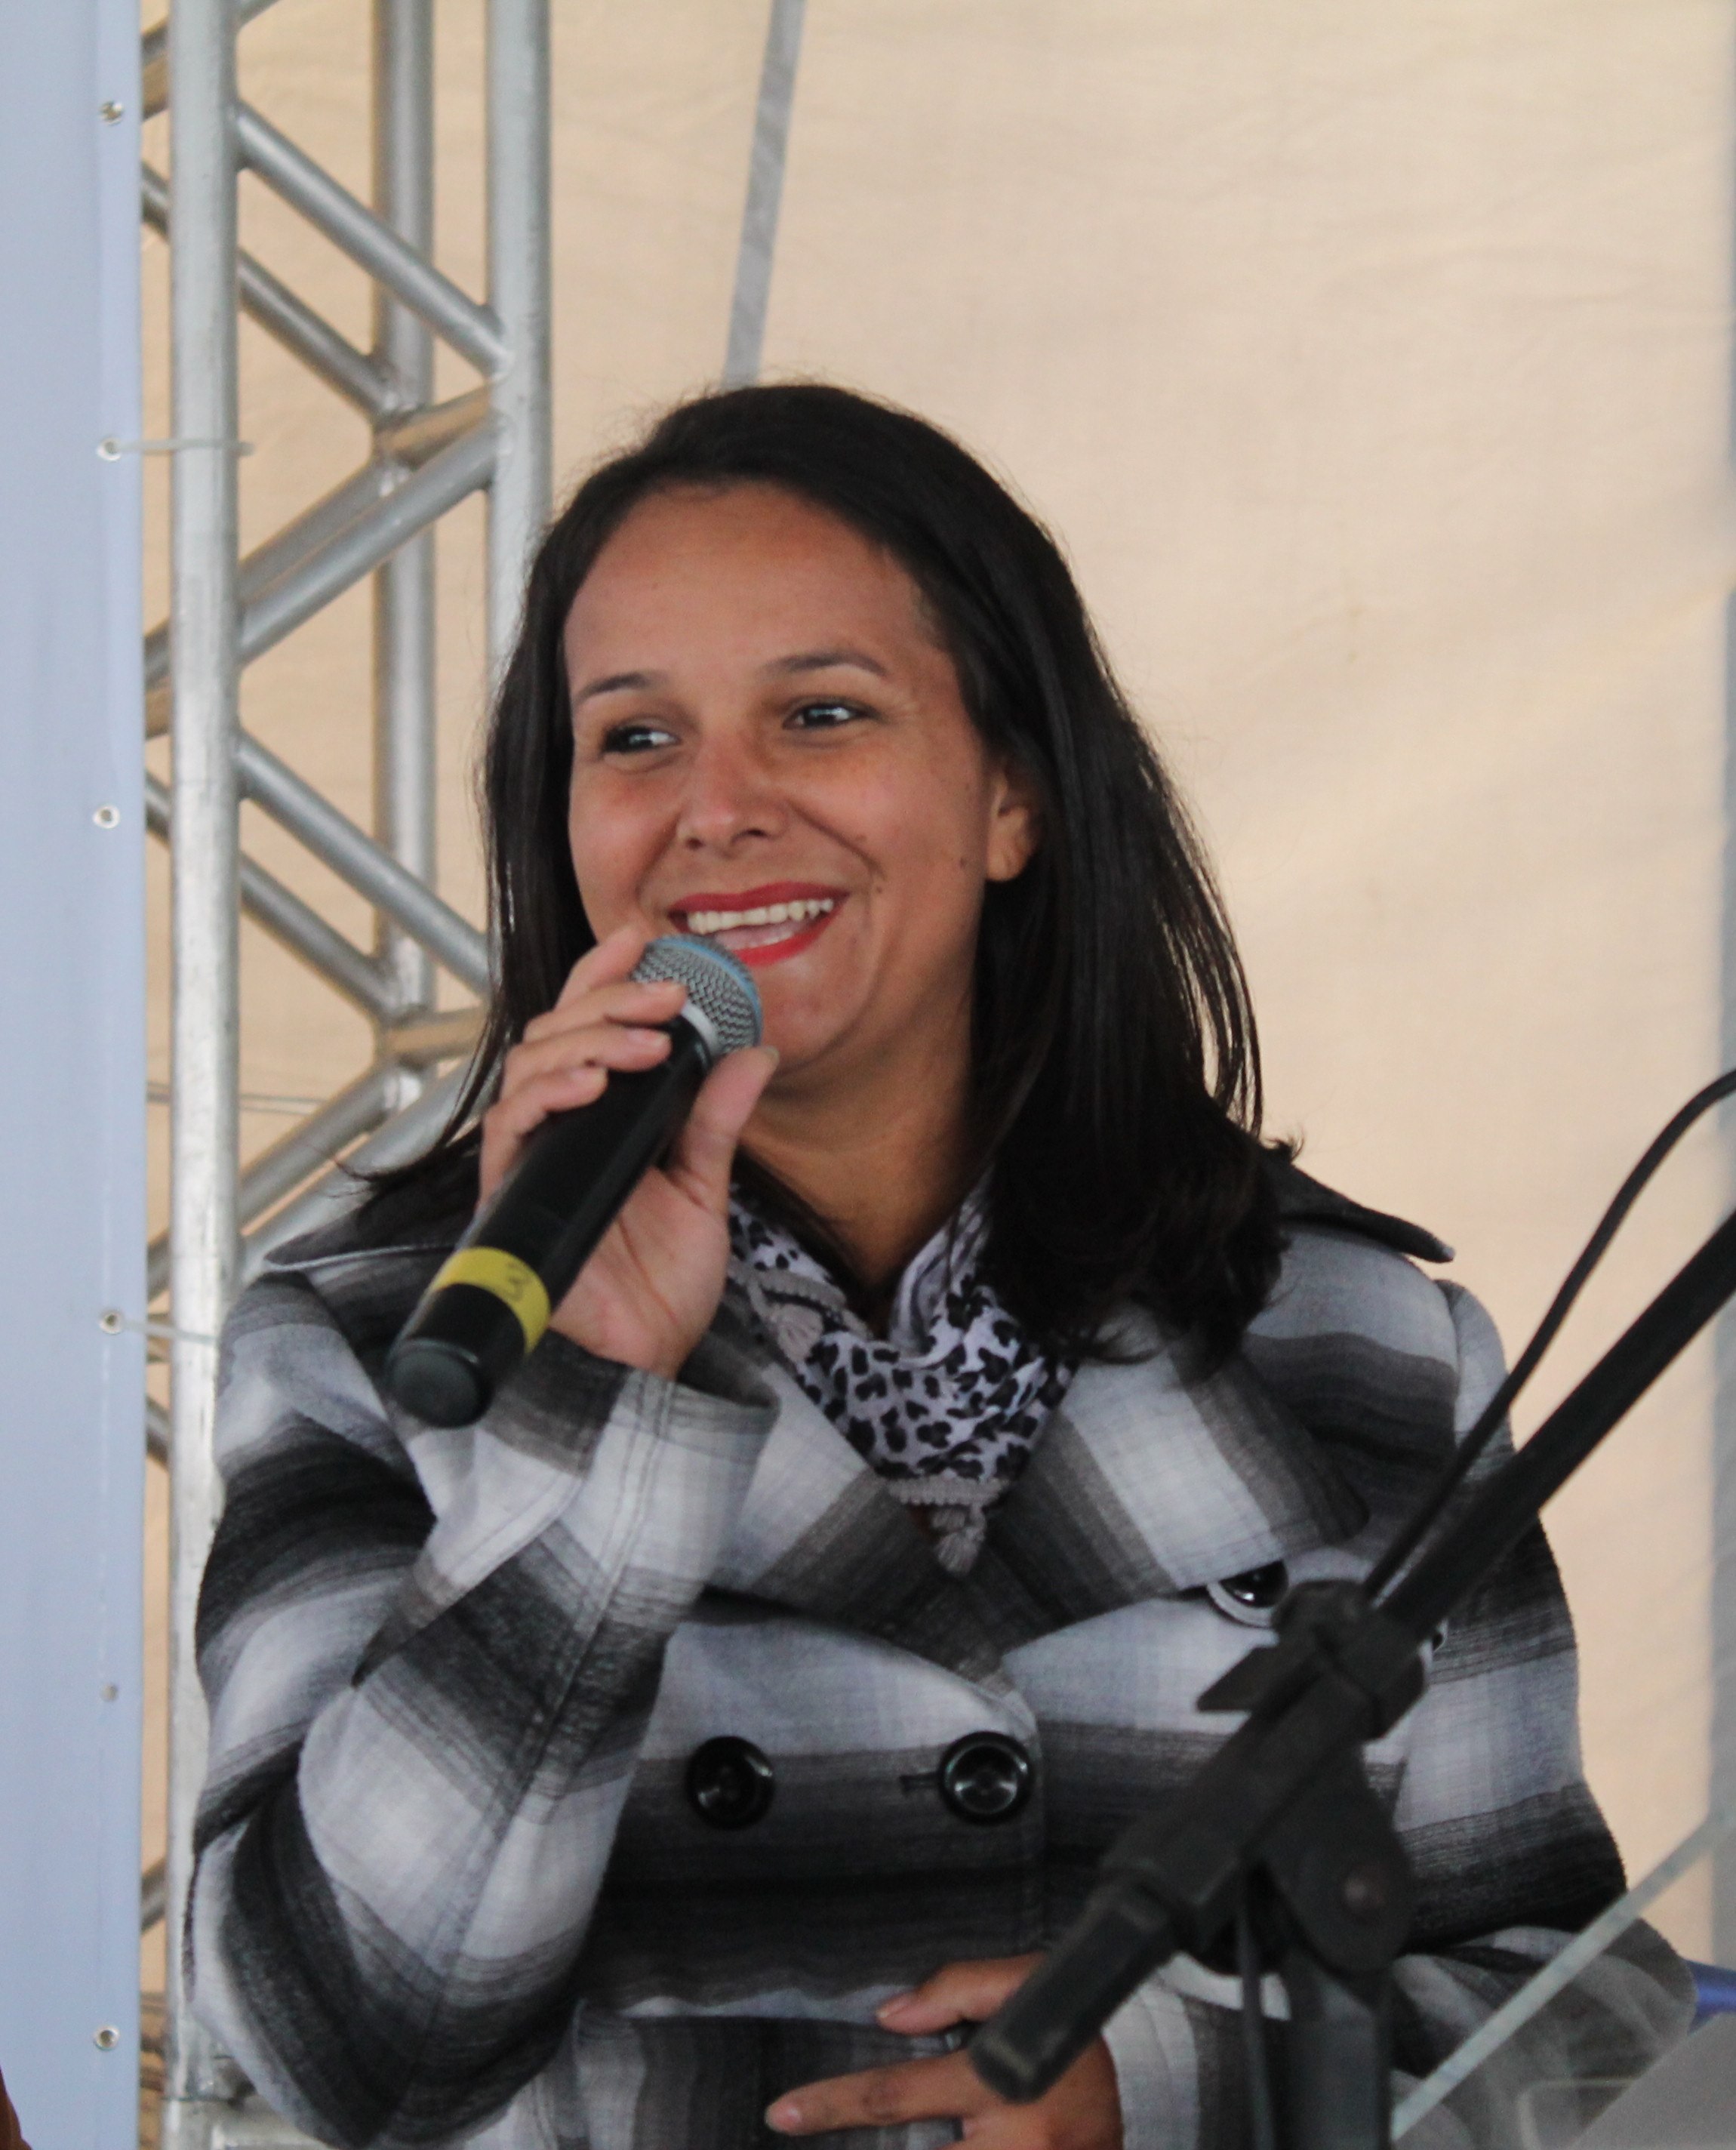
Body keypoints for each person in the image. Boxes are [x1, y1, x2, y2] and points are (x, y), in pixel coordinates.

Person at [187, 385, 1689, 2149]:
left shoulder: (1364, 1347)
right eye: (633, 738)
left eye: (820, 715)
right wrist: (594, 1419)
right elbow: (333, 2044)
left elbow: (1581, 2015)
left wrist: (1175, 2093)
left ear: (1010, 801)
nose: (717, 810)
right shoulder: (380, 1338)